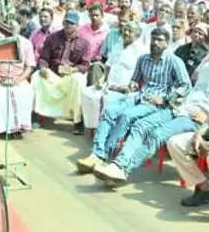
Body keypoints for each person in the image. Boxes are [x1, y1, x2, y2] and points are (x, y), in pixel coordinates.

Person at [94, 36, 209, 184]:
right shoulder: (206, 68)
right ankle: (117, 164)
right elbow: (190, 89)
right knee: (140, 125)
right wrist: (172, 100)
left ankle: (122, 168)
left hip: (196, 118)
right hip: (179, 108)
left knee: (157, 134)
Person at [76, 28, 191, 174]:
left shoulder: (174, 61)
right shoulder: (143, 59)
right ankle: (97, 153)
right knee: (110, 110)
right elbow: (135, 81)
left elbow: (186, 86)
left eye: (160, 40)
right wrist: (132, 86)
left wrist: (166, 98)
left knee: (127, 116)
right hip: (139, 96)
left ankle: (105, 154)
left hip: (157, 104)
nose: (155, 43)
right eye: (153, 39)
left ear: (166, 43)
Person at [79, 21, 146, 137]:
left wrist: (130, 87)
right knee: (88, 94)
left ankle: (106, 133)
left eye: (130, 31)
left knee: (108, 100)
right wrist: (101, 79)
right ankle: (93, 126)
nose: (126, 32)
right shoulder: (118, 45)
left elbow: (142, 76)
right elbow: (108, 66)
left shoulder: (141, 51)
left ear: (137, 35)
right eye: (125, 30)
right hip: (109, 85)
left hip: (126, 89)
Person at [31, 11, 90, 132]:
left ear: (77, 25)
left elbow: (85, 65)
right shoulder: (52, 38)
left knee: (79, 80)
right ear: (63, 23)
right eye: (66, 22)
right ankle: (36, 116)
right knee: (37, 76)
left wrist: (74, 69)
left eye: (71, 23)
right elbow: (44, 58)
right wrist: (43, 68)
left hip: (71, 76)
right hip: (53, 73)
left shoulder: (84, 42)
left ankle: (77, 121)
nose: (68, 25)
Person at [0, 19, 35, 138]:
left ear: (20, 27)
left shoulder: (26, 43)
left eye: (14, 26)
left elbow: (30, 66)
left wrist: (19, 79)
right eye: (8, 26)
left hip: (18, 78)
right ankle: (4, 128)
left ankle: (20, 127)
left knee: (26, 93)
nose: (11, 29)